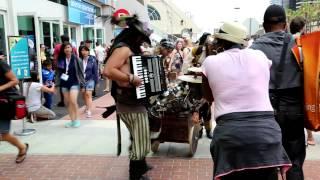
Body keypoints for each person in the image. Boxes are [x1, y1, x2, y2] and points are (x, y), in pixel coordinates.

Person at [202, 21, 292, 180]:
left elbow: (209, 97)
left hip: (231, 137)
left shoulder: (210, 62)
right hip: (267, 135)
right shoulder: (260, 56)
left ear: (221, 42)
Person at [250, 5, 306, 180]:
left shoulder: (253, 50)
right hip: (293, 108)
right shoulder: (299, 45)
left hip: (266, 110)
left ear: (265, 25)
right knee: (295, 161)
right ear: (286, 24)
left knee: (267, 163)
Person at [103, 15, 153, 180]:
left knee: (139, 137)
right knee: (141, 142)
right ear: (135, 35)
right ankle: (136, 175)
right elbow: (108, 71)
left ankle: (141, 167)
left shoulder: (128, 48)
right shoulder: (124, 49)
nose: (142, 42)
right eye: (141, 38)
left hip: (133, 102)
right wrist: (131, 78)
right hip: (130, 103)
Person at [289, 16, 316, 146]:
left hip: (291, 81)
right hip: (304, 79)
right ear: (302, 28)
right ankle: (309, 136)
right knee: (306, 107)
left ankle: (307, 135)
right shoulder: (303, 40)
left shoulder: (288, 40)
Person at [0, 60, 29, 163]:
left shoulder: (1, 64)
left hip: (3, 103)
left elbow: (14, 80)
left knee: (4, 135)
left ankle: (22, 148)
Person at [57, 42, 85, 128]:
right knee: (68, 102)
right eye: (65, 48)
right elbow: (58, 73)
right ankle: (72, 120)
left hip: (74, 82)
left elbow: (81, 73)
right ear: (63, 50)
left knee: (73, 101)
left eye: (68, 47)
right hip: (64, 83)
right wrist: (56, 85)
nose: (67, 49)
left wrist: (83, 85)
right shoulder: (61, 59)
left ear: (71, 48)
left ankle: (76, 120)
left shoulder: (77, 59)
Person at [54, 35, 78, 107]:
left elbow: (55, 57)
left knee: (63, 84)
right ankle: (71, 99)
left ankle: (63, 101)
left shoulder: (58, 46)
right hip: (70, 68)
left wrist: (56, 66)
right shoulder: (72, 47)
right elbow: (76, 55)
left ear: (61, 39)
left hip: (61, 67)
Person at [79, 46, 98, 118]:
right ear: (80, 51)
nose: (84, 52)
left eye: (86, 50)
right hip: (82, 80)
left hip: (90, 79)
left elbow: (95, 71)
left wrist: (96, 82)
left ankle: (89, 110)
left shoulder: (92, 59)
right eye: (82, 50)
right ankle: (87, 106)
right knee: (84, 95)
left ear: (88, 51)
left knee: (88, 94)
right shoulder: (79, 60)